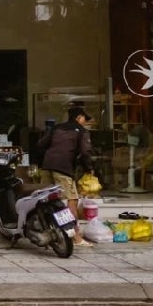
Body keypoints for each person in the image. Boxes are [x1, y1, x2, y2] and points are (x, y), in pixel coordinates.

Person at [36, 105, 93, 246]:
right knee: (71, 201)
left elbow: (41, 144)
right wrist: (89, 169)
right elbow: (86, 153)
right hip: (63, 169)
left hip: (47, 166)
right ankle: (75, 237)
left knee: (46, 200)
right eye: (85, 119)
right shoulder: (81, 131)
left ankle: (47, 230)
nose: (85, 122)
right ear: (79, 117)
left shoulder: (56, 128)